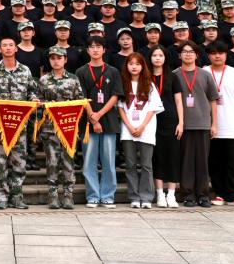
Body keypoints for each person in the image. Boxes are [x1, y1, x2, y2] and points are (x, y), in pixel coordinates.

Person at [0, 37, 40, 210]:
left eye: (11, 45)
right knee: (0, 161)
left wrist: (34, 99)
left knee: (19, 161)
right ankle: (1, 196)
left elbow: (32, 91)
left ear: (16, 49)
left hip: (19, 124)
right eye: (4, 46)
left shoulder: (25, 70)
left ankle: (16, 196)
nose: (8, 48)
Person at [75, 36, 123, 208]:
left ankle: (108, 195)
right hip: (87, 123)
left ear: (104, 50)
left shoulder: (113, 71)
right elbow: (81, 97)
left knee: (109, 161)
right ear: (87, 50)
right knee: (89, 161)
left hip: (109, 121)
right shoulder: (81, 72)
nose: (95, 50)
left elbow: (116, 96)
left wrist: (99, 115)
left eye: (98, 47)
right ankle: (93, 195)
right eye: (92, 47)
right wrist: (93, 118)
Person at [205, 41, 234, 207]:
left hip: (232, 126)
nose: (217, 56)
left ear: (226, 55)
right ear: (208, 55)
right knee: (215, 163)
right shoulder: (204, 72)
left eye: (221, 53)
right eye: (213, 53)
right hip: (210, 126)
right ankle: (219, 194)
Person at [38, 46, 84, 210]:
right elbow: (38, 102)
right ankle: (52, 195)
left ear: (65, 60)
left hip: (68, 128)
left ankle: (68, 195)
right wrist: (46, 104)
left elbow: (80, 101)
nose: (56, 61)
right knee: (52, 161)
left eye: (59, 58)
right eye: (53, 58)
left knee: (68, 161)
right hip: (49, 128)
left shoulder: (73, 79)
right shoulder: (44, 80)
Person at [174, 40, 219, 207]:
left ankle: (203, 194)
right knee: (186, 161)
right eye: (184, 52)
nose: (188, 54)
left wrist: (214, 124)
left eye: (191, 52)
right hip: (183, 125)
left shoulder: (205, 74)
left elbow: (213, 100)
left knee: (202, 162)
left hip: (202, 123)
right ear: (179, 55)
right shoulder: (174, 74)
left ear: (197, 55)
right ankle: (188, 194)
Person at [117, 52, 163, 209]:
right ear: (126, 66)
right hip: (127, 129)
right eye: (131, 64)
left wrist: (142, 126)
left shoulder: (149, 85)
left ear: (143, 66)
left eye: (137, 64)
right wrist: (130, 126)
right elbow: (120, 108)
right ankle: (134, 197)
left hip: (146, 129)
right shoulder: (123, 84)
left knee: (146, 165)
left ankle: (146, 197)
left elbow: (153, 108)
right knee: (130, 164)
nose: (134, 67)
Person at [150, 46, 184, 208]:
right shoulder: (146, 76)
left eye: (160, 55)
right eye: (154, 55)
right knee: (157, 157)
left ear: (165, 58)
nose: (157, 58)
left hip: (170, 121)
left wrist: (181, 122)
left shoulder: (172, 76)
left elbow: (178, 101)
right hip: (151, 121)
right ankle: (159, 194)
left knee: (172, 156)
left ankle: (171, 194)